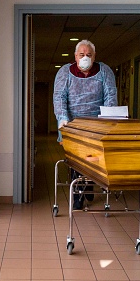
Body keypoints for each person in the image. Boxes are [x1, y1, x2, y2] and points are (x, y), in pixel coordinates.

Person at [53, 40, 118, 210]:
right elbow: (59, 97)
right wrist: (62, 118)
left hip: (97, 125)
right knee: (76, 160)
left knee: (93, 159)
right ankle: (78, 194)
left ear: (94, 56)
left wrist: (107, 120)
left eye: (89, 55)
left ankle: (88, 185)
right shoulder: (65, 73)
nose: (85, 58)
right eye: (81, 55)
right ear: (75, 56)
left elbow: (110, 96)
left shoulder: (104, 71)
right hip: (72, 124)